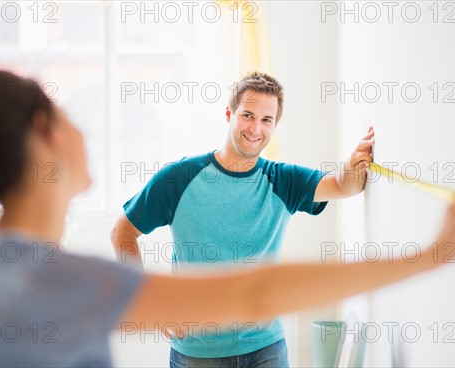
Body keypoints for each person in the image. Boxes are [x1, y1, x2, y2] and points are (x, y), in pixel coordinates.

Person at [0, 70, 455, 367]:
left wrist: (358, 168)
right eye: (67, 114)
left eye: (268, 120)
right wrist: (435, 254)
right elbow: (255, 292)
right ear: (44, 135)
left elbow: (333, 194)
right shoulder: (49, 279)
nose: (257, 128)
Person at [111, 72, 375, 366]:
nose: (255, 128)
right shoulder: (180, 178)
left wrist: (354, 163)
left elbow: (342, 185)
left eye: (266, 119)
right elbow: (122, 232)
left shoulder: (281, 180)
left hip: (266, 347)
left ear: (275, 125)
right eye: (248, 115)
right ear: (229, 114)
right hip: (198, 353)